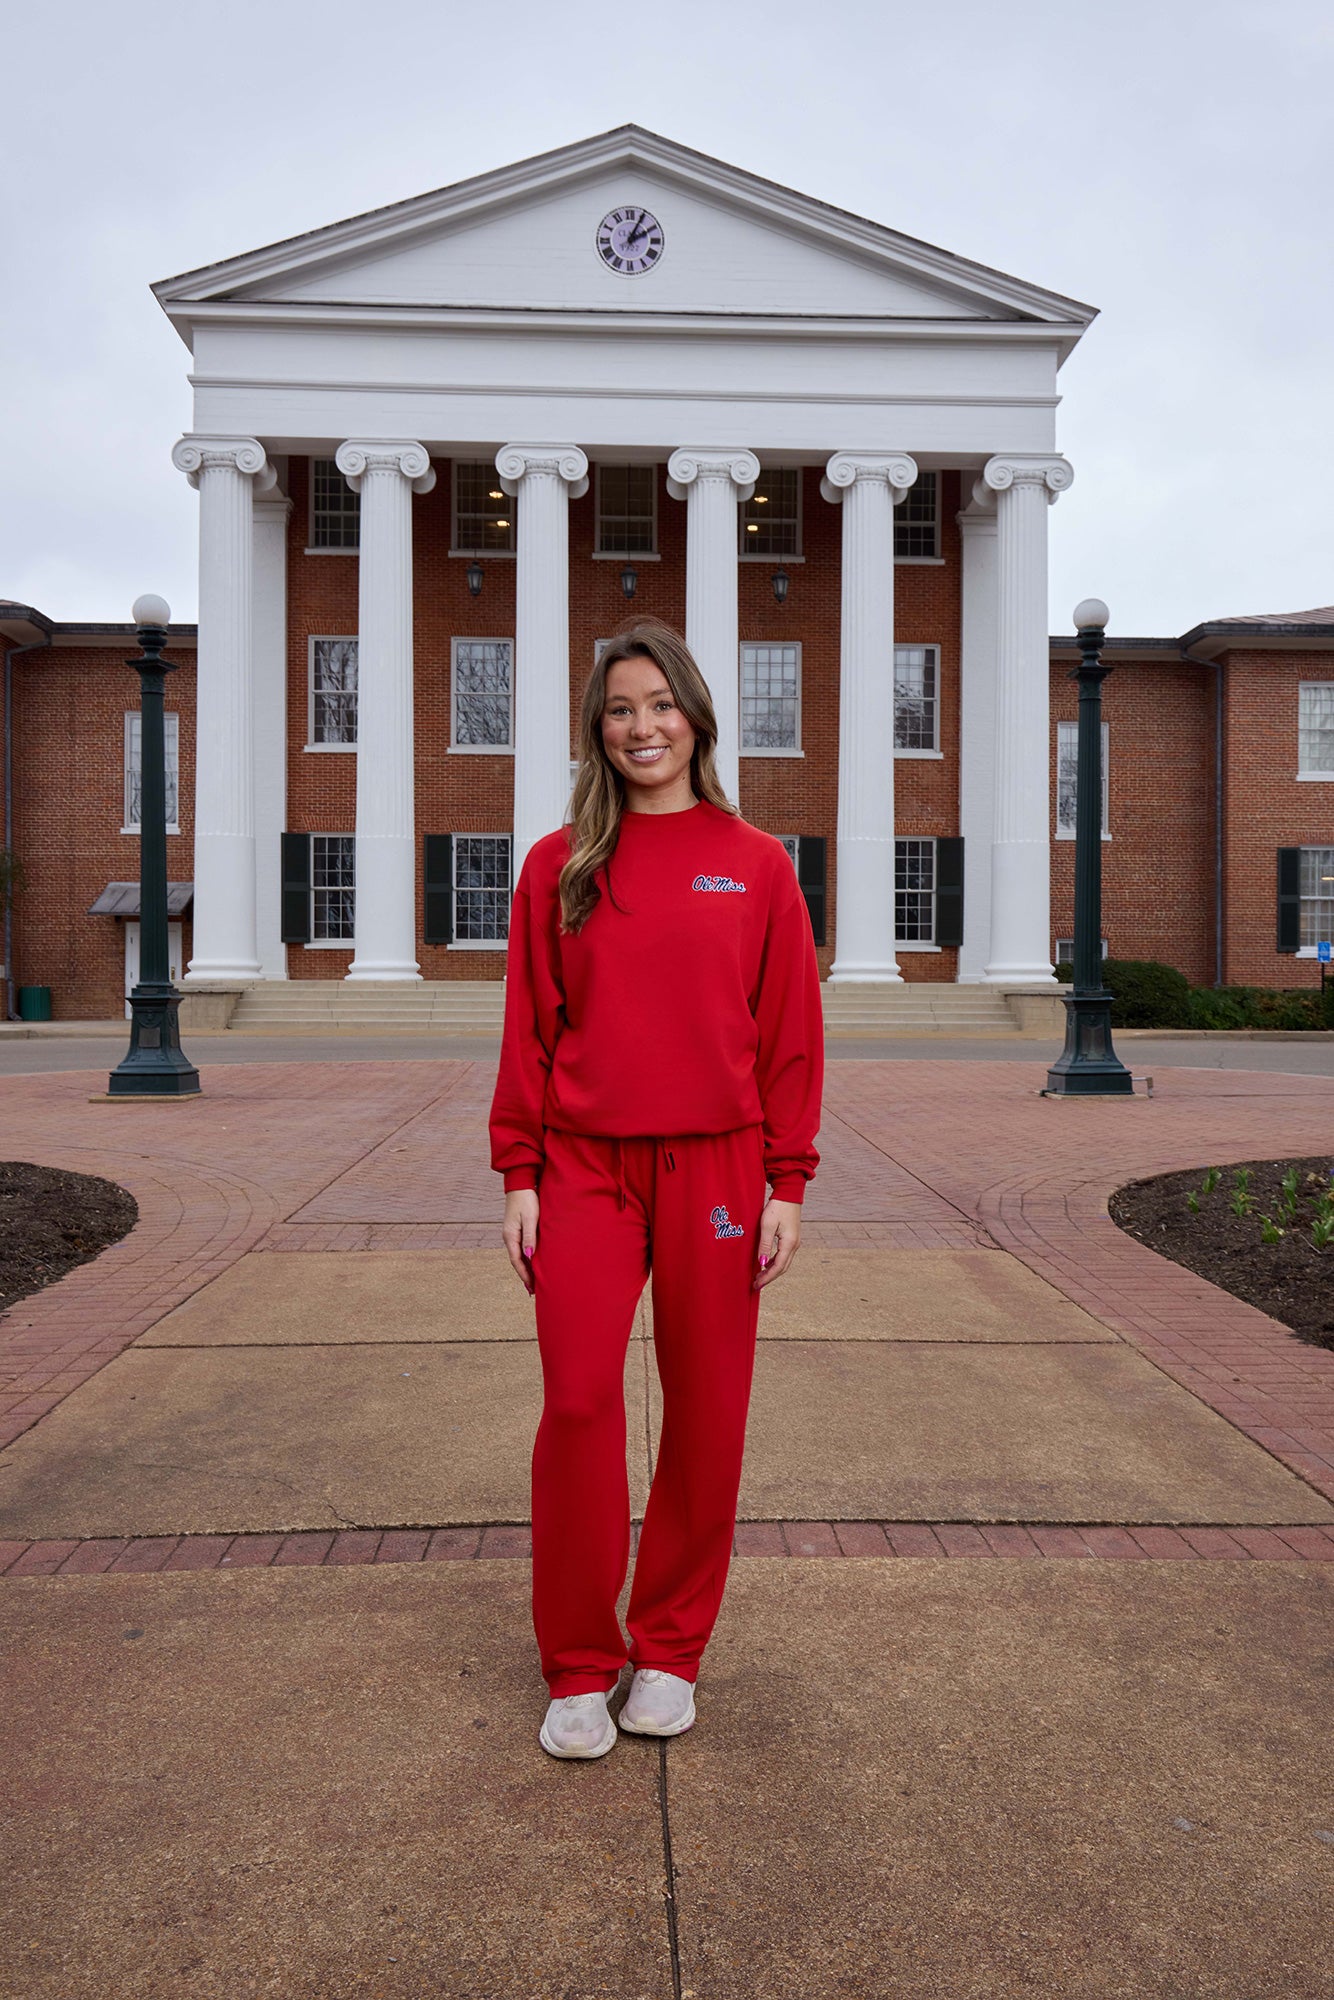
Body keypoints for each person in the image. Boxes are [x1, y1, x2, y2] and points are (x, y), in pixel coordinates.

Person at [489, 617, 824, 1760]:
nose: (642, 727)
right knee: (578, 1401)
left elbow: (788, 1036)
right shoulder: (559, 865)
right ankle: (579, 1665)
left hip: (721, 1170)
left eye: (659, 705)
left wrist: (786, 1179)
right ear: (599, 730)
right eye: (620, 709)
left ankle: (668, 1650)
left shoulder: (756, 861)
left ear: (695, 716)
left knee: (705, 1409)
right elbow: (527, 1028)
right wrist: (517, 1170)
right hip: (583, 1167)